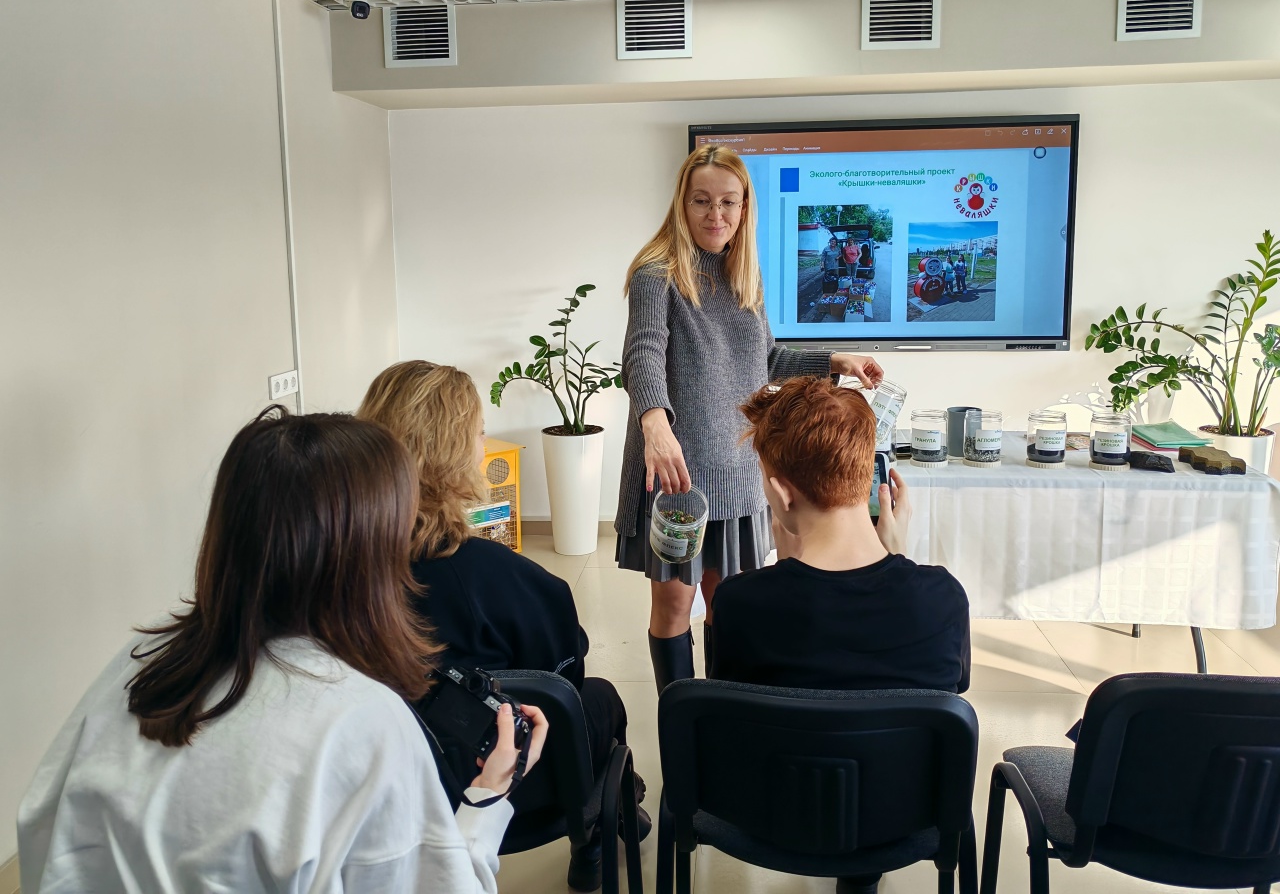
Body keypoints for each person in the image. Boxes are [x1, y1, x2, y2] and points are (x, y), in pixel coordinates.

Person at [17, 408, 548, 893]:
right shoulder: (361, 720)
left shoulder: (143, 658)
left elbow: (46, 833)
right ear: (371, 552)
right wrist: (486, 800)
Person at [358, 360, 642, 892]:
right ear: (455, 451)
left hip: (385, 790)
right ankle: (591, 839)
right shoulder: (498, 576)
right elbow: (564, 680)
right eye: (479, 431)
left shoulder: (339, 574)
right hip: (505, 781)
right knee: (601, 699)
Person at [615, 144, 884, 692]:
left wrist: (835, 361)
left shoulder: (746, 277)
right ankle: (679, 723)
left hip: (739, 474)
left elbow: (766, 362)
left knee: (729, 607)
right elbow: (641, 354)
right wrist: (655, 423)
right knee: (674, 605)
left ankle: (723, 716)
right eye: (702, 201)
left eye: (728, 203)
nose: (716, 215)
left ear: (744, 209)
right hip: (679, 477)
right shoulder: (656, 272)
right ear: (682, 204)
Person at [710, 376, 971, 694]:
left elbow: (729, 711)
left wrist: (783, 574)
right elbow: (943, 697)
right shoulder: (943, 598)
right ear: (866, 472)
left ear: (781, 493)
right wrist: (897, 561)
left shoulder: (739, 603)